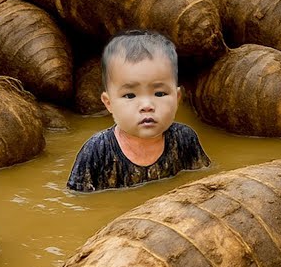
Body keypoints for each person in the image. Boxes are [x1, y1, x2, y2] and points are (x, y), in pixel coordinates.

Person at [67, 30, 210, 192]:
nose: (147, 105)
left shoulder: (185, 140)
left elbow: (204, 187)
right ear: (109, 104)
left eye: (160, 93)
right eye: (130, 95)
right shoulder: (97, 151)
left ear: (177, 98)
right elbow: (79, 200)